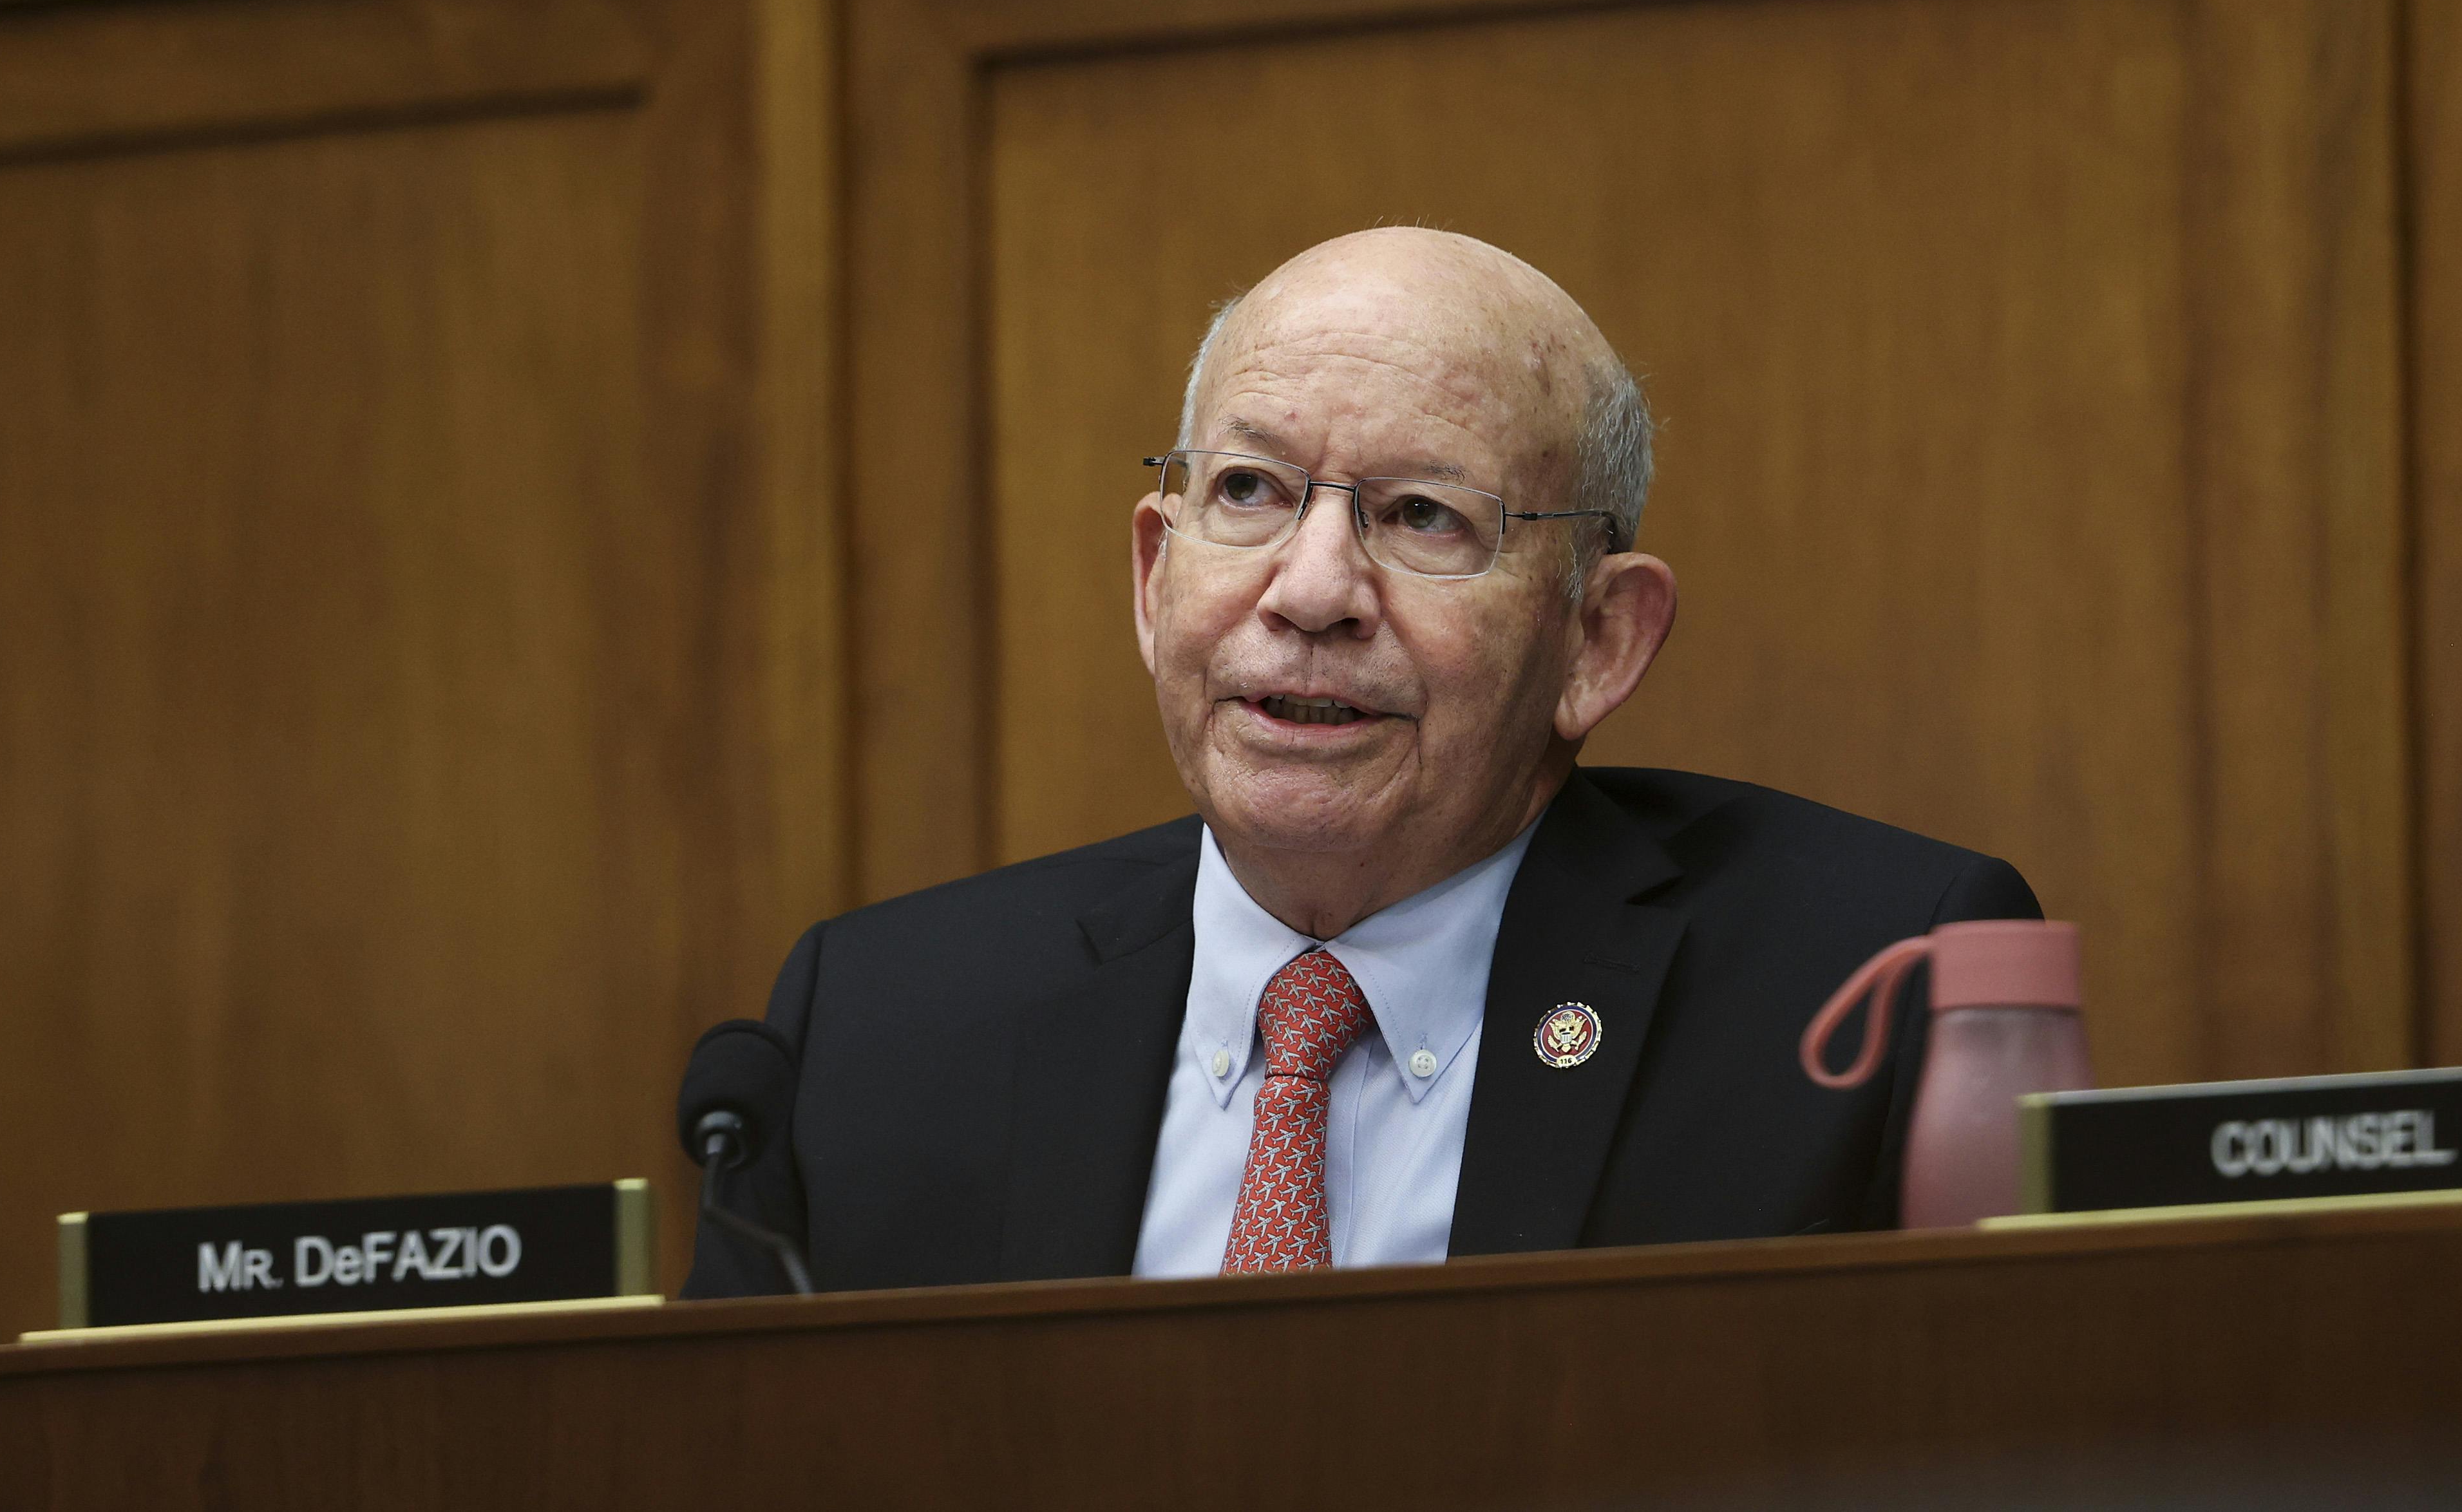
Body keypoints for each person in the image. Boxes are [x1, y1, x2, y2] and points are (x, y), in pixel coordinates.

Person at [684, 227, 2038, 1296]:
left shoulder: (1863, 985)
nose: (1311, 589)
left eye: (1422, 516)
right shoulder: (875, 1030)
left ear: (1599, 639)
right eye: (1251, 494)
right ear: (1157, 580)